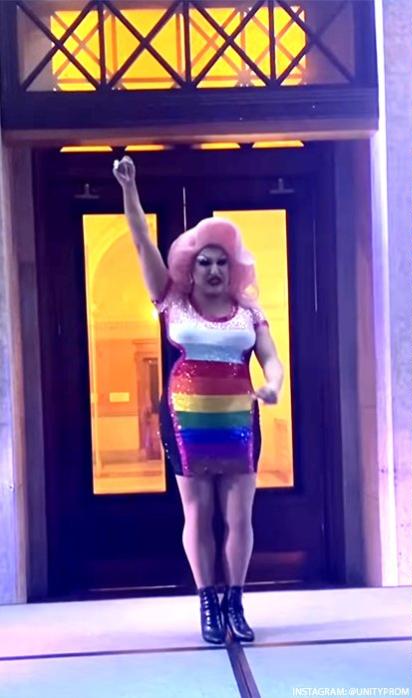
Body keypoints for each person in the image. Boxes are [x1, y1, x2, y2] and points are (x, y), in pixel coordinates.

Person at [112, 156, 283, 645]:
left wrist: (273, 385)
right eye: (203, 261)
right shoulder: (171, 299)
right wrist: (130, 190)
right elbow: (142, 241)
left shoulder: (248, 309)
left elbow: (271, 359)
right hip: (186, 419)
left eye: (221, 261)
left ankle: (236, 601)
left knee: (238, 515)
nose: (212, 268)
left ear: (234, 266)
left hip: (239, 417)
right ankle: (207, 599)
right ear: (190, 265)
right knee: (198, 513)